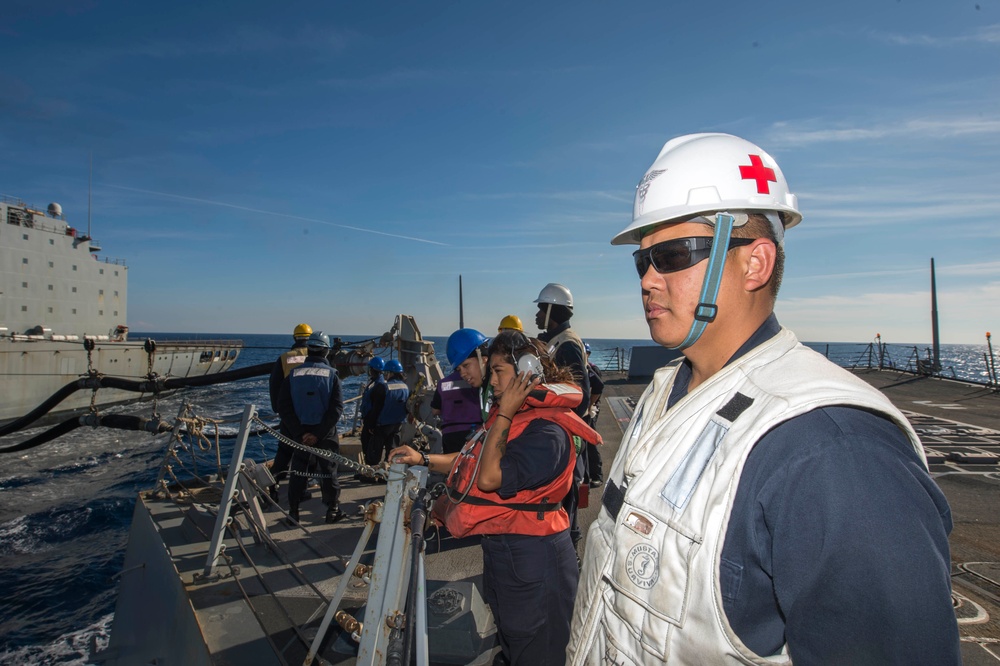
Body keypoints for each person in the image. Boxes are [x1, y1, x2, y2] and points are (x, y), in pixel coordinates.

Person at [568, 133, 960, 664]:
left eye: (673, 255)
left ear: (755, 263)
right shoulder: (666, 391)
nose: (648, 280)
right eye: (643, 261)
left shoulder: (834, 453)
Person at [390, 331, 601, 665]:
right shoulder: (519, 420)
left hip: (536, 560)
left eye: (499, 370)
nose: (491, 377)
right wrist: (423, 460)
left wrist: (504, 412)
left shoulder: (547, 432)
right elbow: (472, 464)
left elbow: (488, 479)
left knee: (537, 652)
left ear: (527, 371)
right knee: (513, 642)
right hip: (507, 556)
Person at [534, 283, 591, 548]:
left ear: (551, 311)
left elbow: (581, 394)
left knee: (566, 492)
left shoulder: (565, 345)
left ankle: (569, 549)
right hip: (561, 428)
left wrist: (565, 429)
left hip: (566, 431)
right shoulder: (555, 341)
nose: (536, 315)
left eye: (540, 309)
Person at [276, 331, 345, 524]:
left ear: (310, 350)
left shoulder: (293, 374)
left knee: (298, 472)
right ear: (325, 351)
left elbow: (284, 406)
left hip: (300, 433)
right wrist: (318, 433)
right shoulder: (332, 375)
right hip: (325, 433)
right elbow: (336, 408)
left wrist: (300, 432)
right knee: (328, 471)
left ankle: (294, 512)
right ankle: (333, 510)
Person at [267, 322, 312, 502]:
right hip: (310, 414)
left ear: (295, 338)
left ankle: (273, 484)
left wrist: (278, 409)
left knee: (284, 451)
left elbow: (274, 385)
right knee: (306, 452)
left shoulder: (284, 358)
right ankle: (301, 489)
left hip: (289, 414)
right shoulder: (316, 357)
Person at [582, 342, 604, 487]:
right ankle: (584, 474)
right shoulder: (581, 367)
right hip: (582, 409)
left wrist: (590, 405)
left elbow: (598, 386)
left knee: (590, 441)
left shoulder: (590, 369)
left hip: (590, 410)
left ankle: (597, 475)